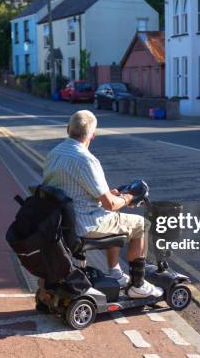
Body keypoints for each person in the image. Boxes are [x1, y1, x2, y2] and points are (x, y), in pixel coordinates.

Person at [42, 110, 163, 298]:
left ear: (68, 129)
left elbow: (77, 189)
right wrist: (128, 198)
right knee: (140, 224)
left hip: (61, 222)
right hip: (85, 225)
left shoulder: (53, 154)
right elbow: (109, 205)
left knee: (118, 220)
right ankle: (138, 285)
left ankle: (115, 272)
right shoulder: (86, 160)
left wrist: (112, 195)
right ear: (92, 135)